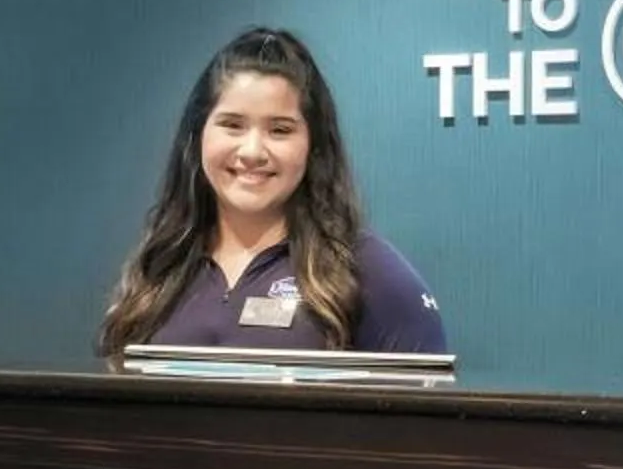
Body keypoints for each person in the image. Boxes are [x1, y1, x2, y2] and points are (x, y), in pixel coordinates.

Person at [99, 27, 448, 357]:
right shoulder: (159, 269)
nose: (252, 151)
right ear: (197, 135)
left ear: (313, 146)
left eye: (279, 130)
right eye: (232, 125)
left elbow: (426, 400)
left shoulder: (369, 274)